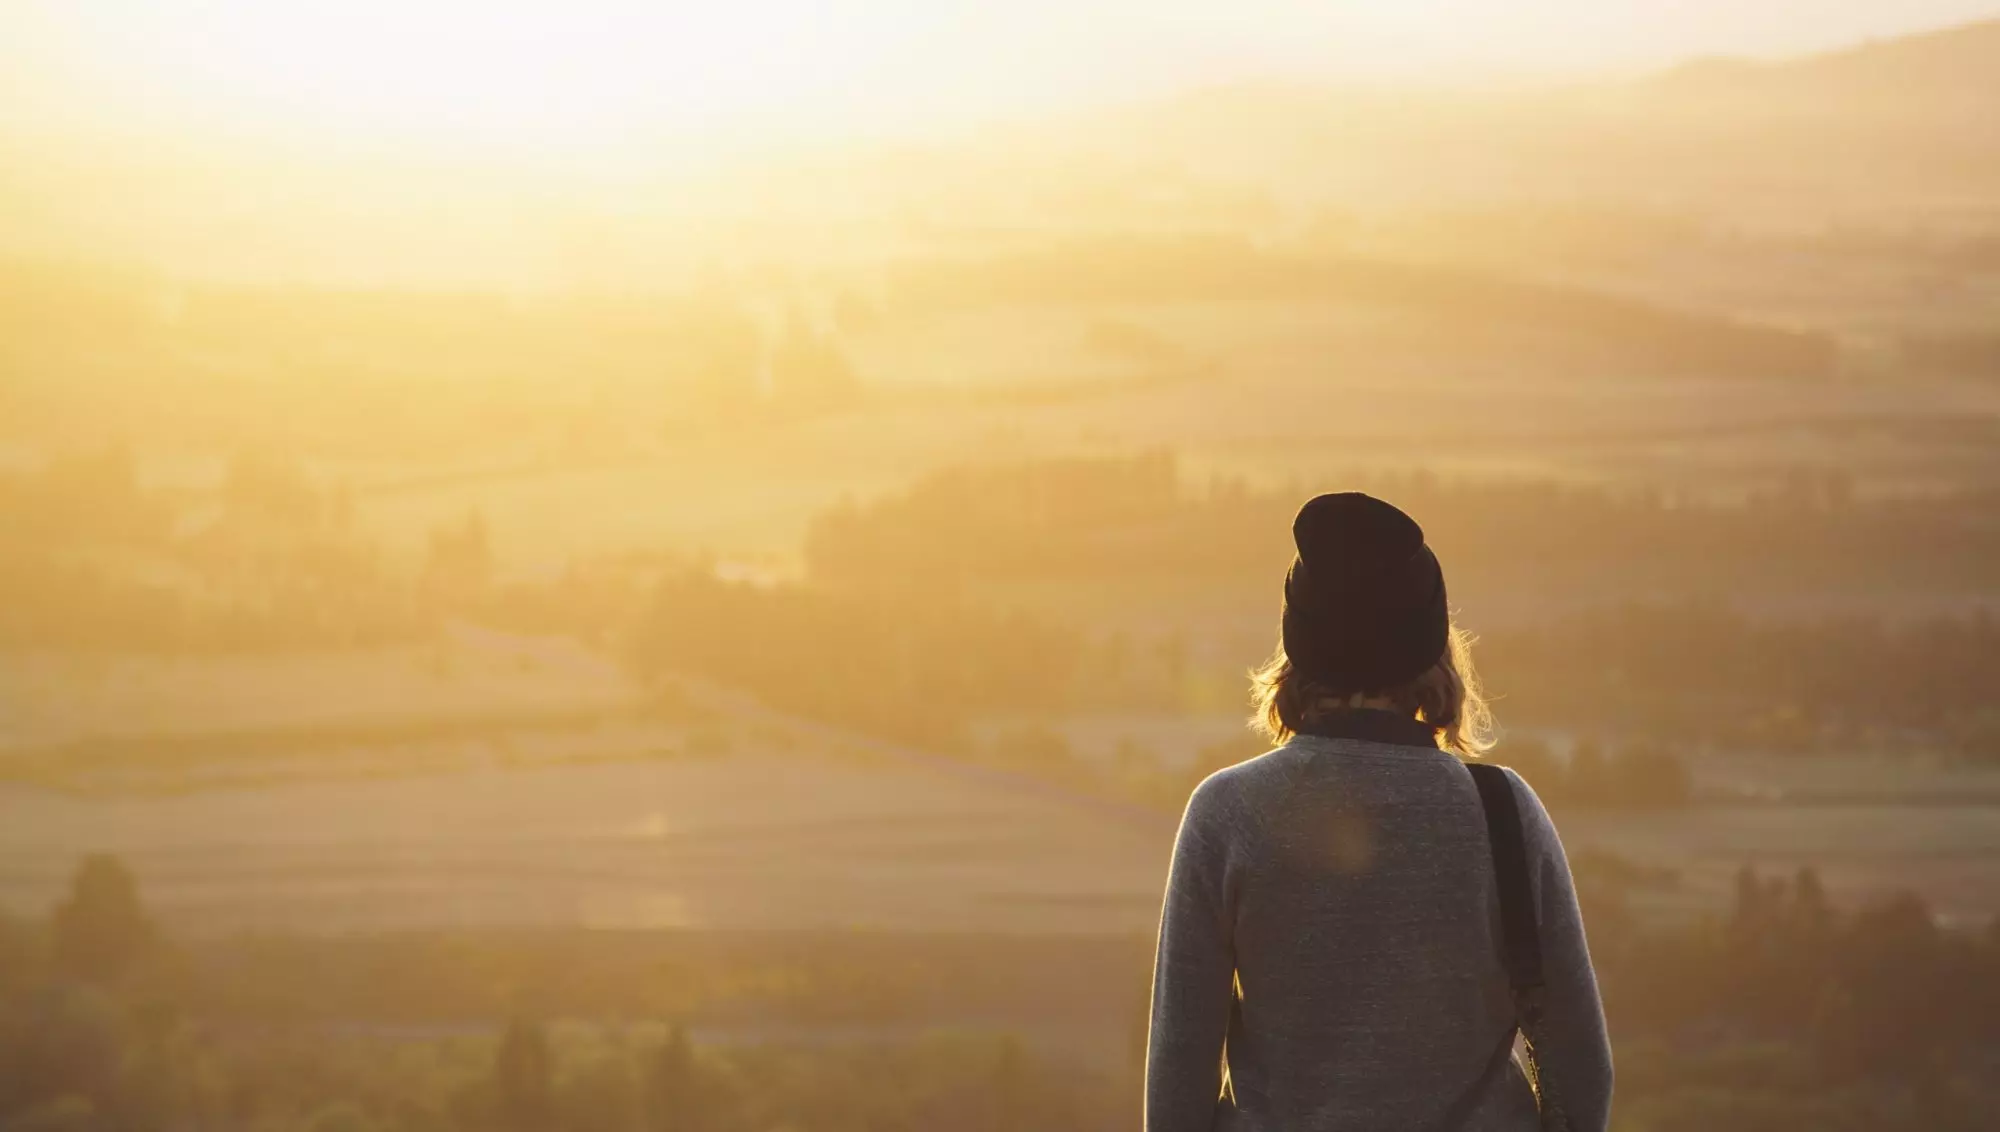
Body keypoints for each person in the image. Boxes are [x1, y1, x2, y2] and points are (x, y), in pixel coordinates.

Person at [1144, 493, 1613, 1131]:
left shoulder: (1227, 815)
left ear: (1298, 649)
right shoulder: (1503, 813)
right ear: (1433, 651)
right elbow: (1579, 1065)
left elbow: (1179, 1080)